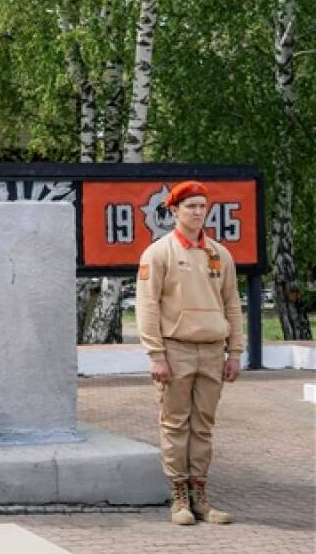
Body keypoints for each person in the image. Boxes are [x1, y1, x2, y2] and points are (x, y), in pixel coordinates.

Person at [136, 180, 242, 526]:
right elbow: (147, 306)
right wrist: (156, 354)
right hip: (175, 349)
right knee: (174, 424)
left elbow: (232, 304)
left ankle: (201, 495)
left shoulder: (220, 254)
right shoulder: (159, 252)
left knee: (204, 427)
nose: (197, 212)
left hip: (213, 350)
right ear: (174, 210)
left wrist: (235, 352)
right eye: (190, 206)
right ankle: (178, 496)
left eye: (201, 206)